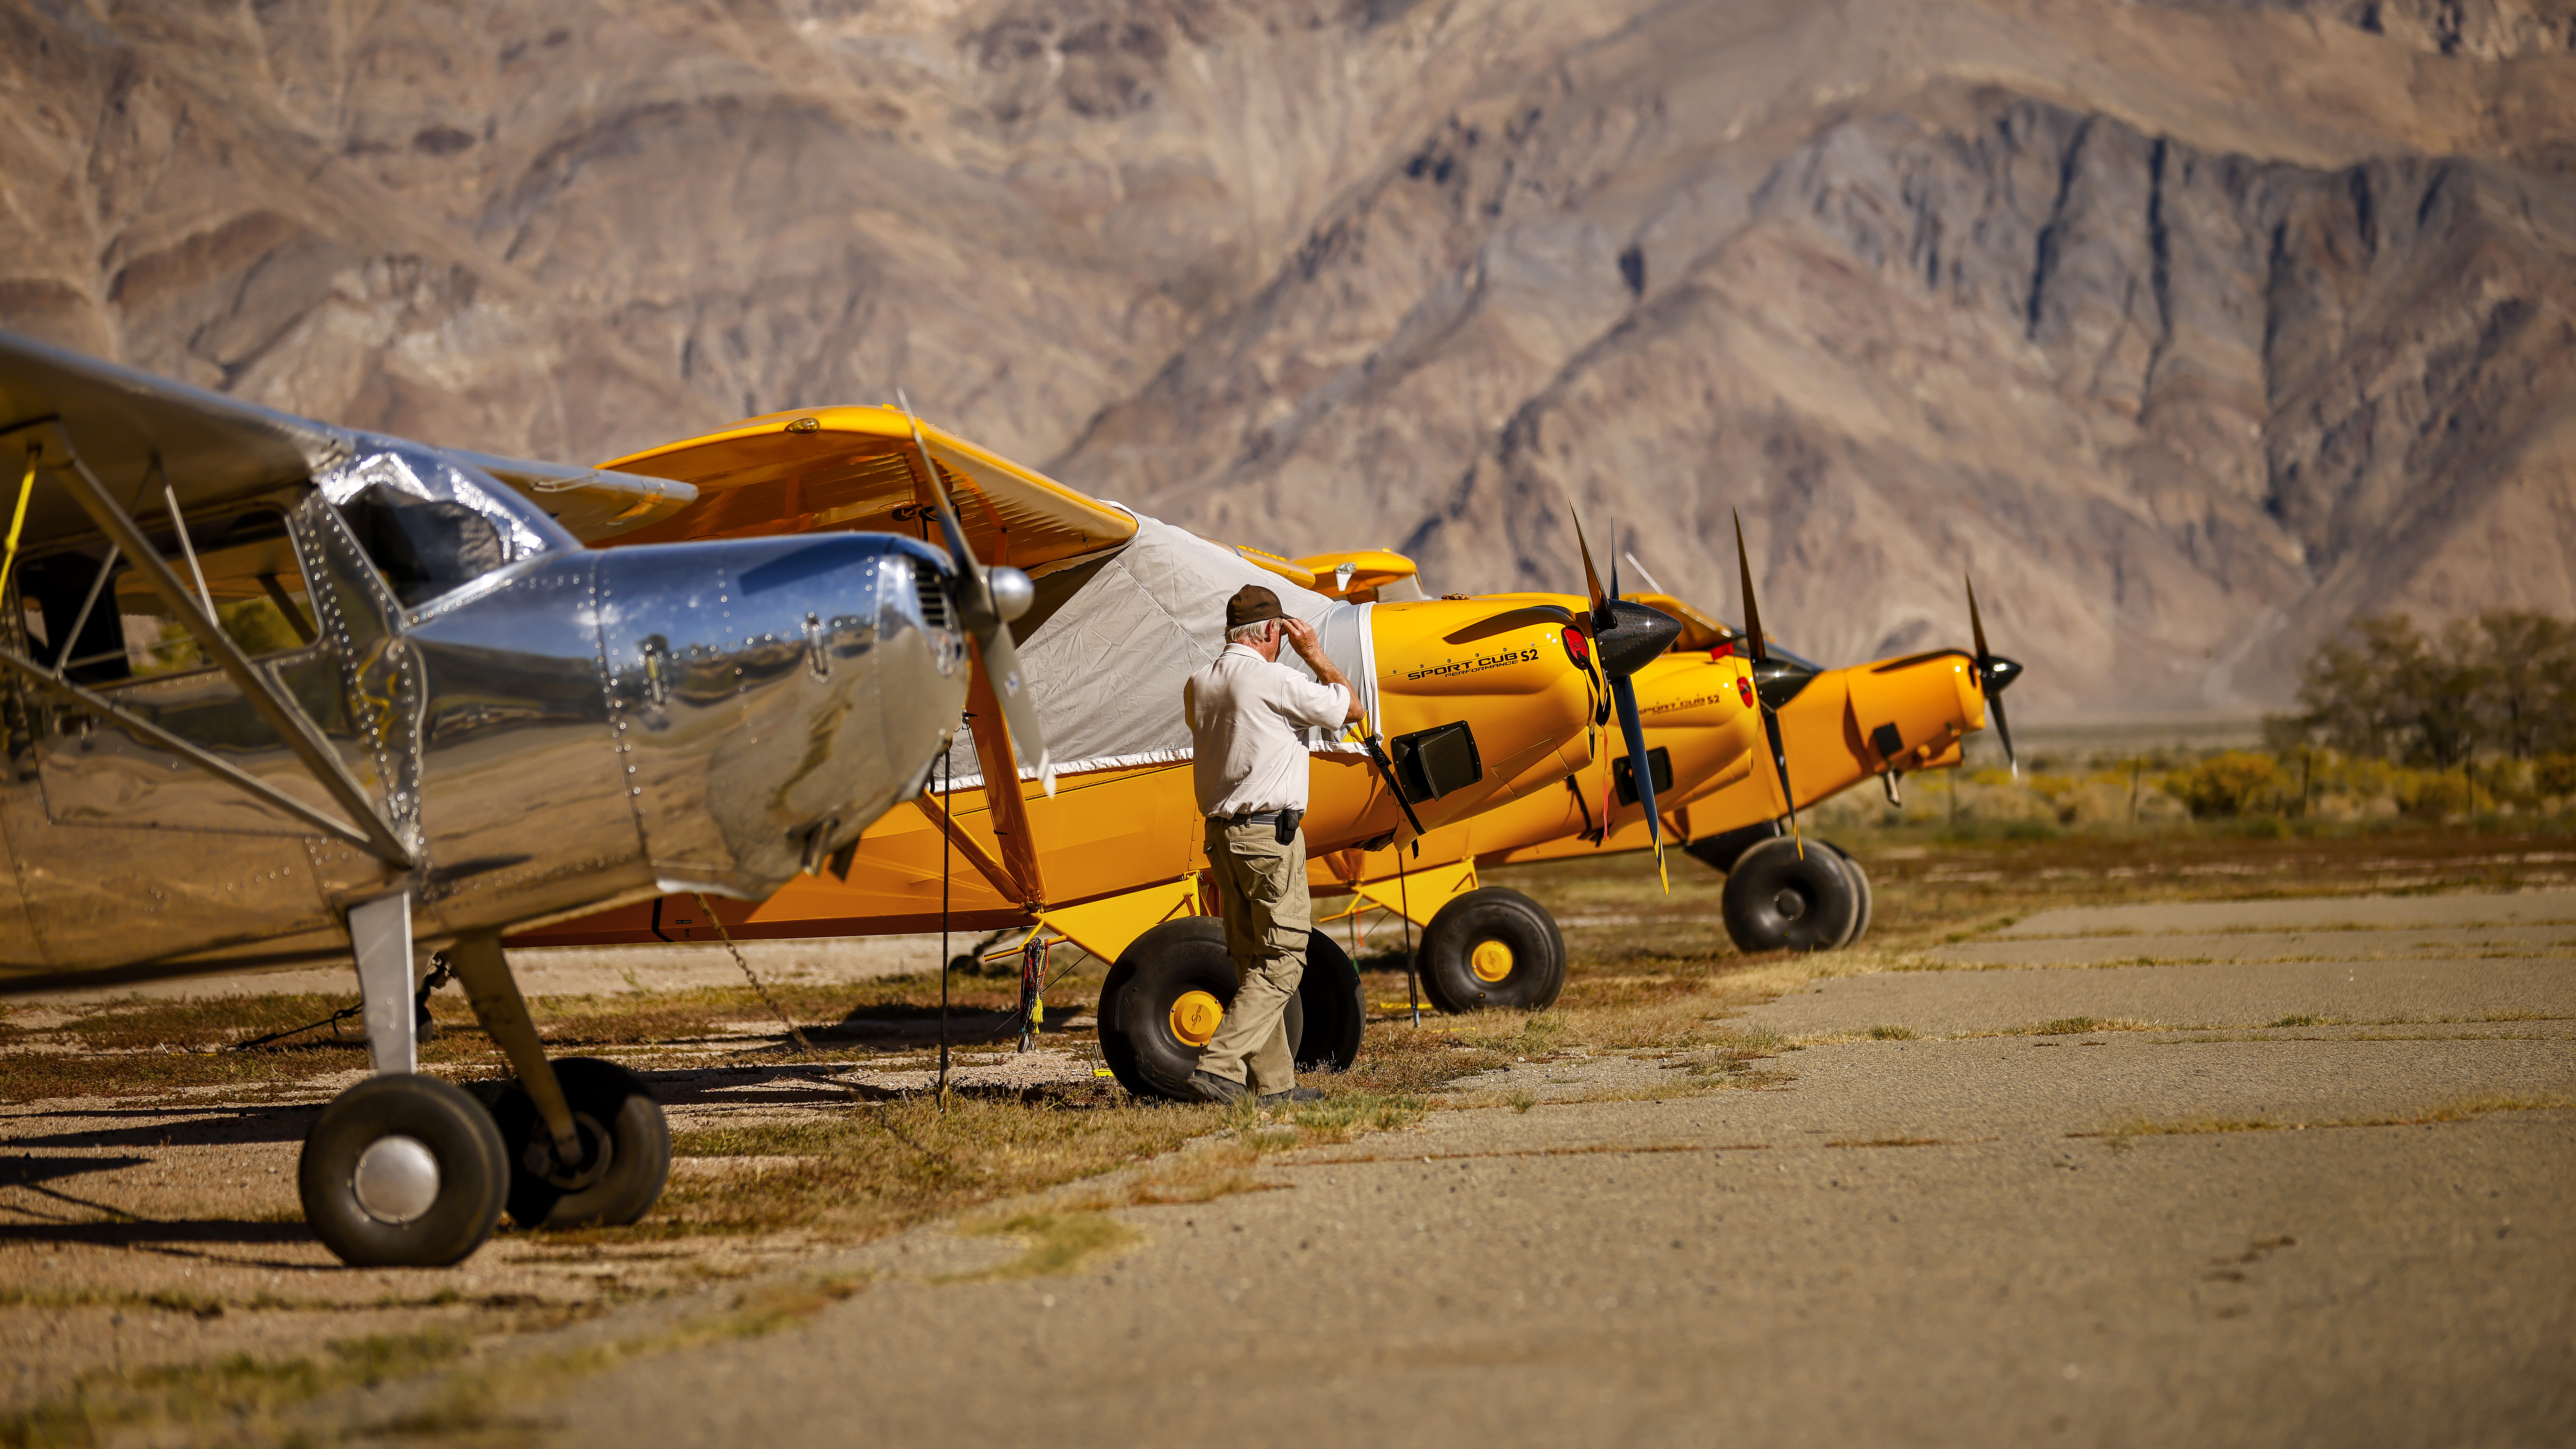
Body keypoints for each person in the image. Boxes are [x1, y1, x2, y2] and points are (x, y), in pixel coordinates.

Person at [1182, 584, 1366, 1106]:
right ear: (1271, 632)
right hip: (1268, 835)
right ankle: (1219, 1065)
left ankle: (1275, 1086)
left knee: (1250, 957)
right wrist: (1313, 654)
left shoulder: (1200, 684)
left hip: (1221, 837)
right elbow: (1349, 708)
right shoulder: (1274, 678)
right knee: (1284, 958)